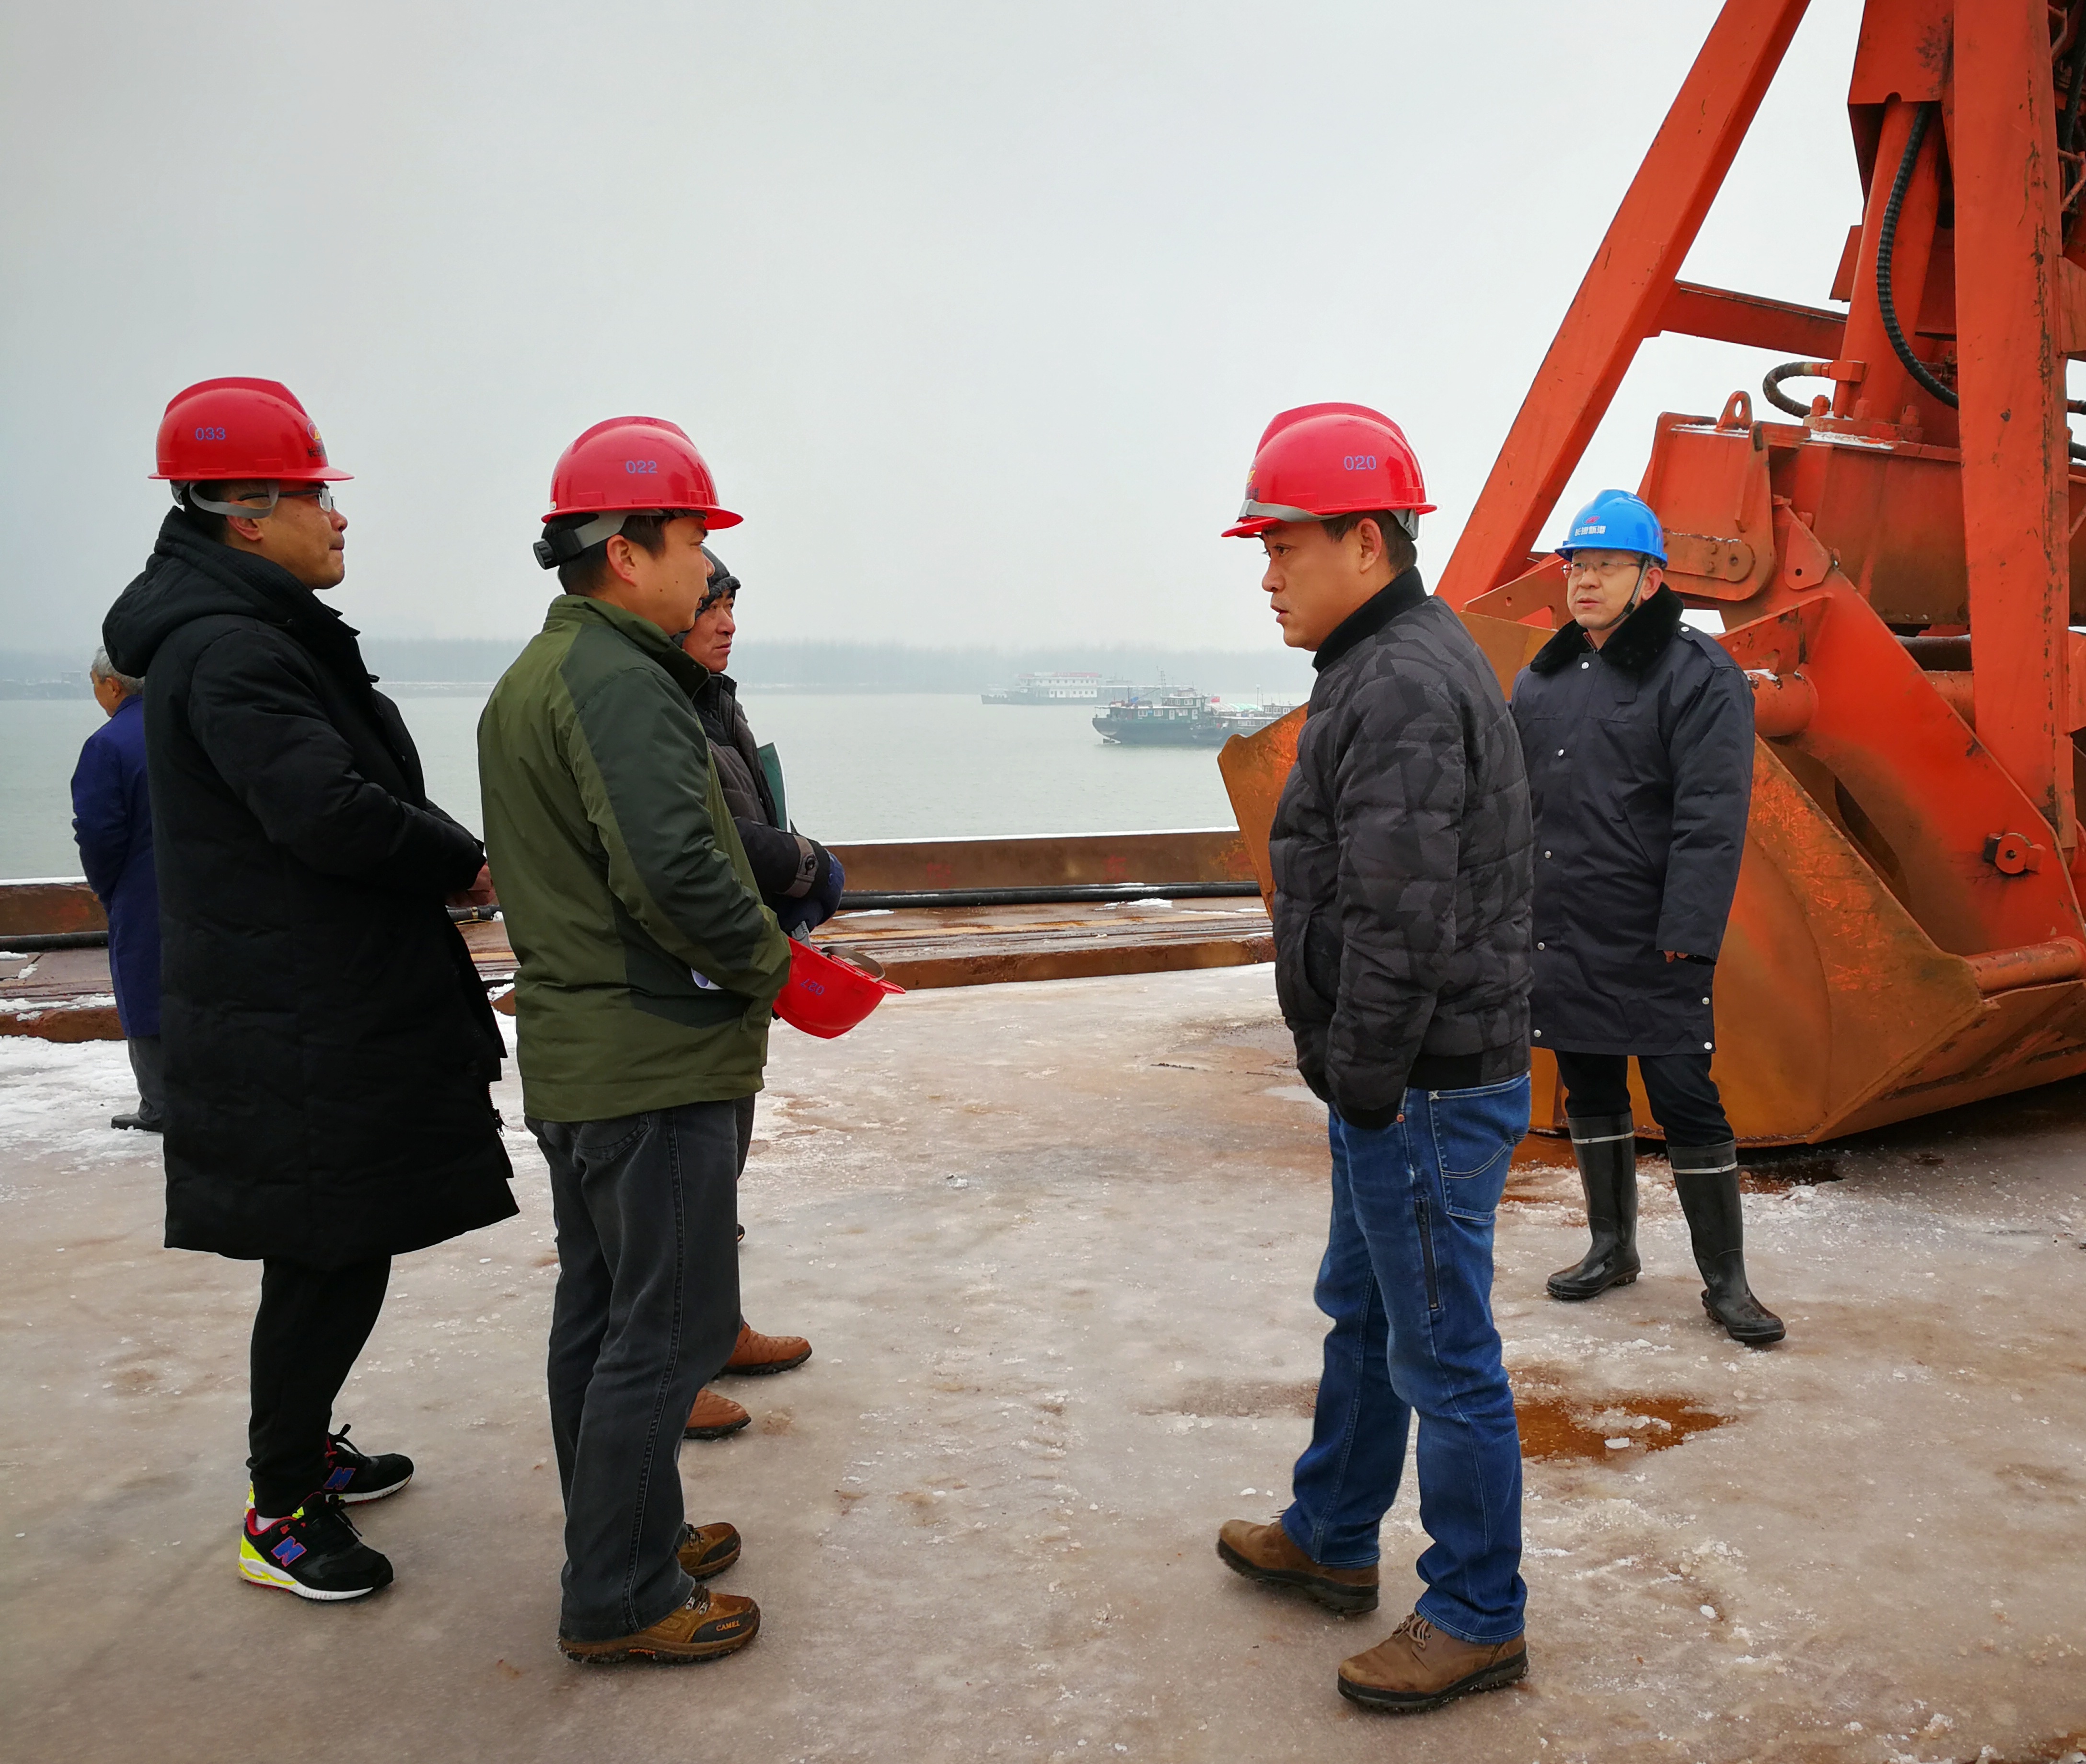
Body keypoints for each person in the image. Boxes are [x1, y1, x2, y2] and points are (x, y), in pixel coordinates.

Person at [101, 377, 517, 1603]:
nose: (337, 516)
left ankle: (301, 1445)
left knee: (339, 1242)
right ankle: (279, 1505)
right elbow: (325, 808)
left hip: (310, 998)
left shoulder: (246, 631)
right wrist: (459, 859)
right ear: (243, 511)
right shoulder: (234, 646)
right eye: (314, 495)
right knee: (325, 1253)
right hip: (295, 1013)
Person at [1212, 404, 1535, 1713]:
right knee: (1367, 1309)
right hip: (1400, 1077)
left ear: (1363, 539)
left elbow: (1403, 916)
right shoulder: (1383, 660)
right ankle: (1334, 1531)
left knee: (1443, 1349)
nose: (1267, 573)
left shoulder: (1397, 681)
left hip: (1423, 1084)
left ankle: (1477, 1610)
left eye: (1282, 544)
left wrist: (1362, 1082)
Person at [478, 416, 791, 1665]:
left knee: (604, 1319)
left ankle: (627, 1539)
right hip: (648, 1056)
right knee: (665, 1329)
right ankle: (619, 1592)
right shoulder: (621, 684)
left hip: (587, 1051)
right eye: (694, 541)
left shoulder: (544, 673)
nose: (707, 567)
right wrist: (776, 966)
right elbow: (676, 874)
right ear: (625, 552)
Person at [1510, 489, 1782, 1346]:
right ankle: (1611, 1248)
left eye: (1605, 566)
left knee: (1684, 1096)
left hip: (1653, 933)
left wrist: (1689, 934)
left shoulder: (1700, 674)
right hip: (1563, 924)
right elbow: (1519, 809)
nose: (1585, 581)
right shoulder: (1541, 679)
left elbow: (1712, 816)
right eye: (1576, 565)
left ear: (1650, 578)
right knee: (1588, 1086)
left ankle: (1727, 1284)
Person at [675, 547, 845, 1442]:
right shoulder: (657, 709)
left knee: (720, 1160)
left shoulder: (715, 702)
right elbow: (710, 840)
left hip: (732, 971)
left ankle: (716, 1327)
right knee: (677, 1184)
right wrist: (807, 865)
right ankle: (673, 1368)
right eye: (710, 607)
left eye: (732, 607)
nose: (727, 624)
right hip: (683, 977)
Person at [71, 648, 162, 1131]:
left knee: (143, 983)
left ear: (112, 685)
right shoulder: (186, 727)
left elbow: (98, 832)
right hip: (209, 880)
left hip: (141, 884)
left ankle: (161, 1104)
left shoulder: (107, 745)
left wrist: (107, 888)